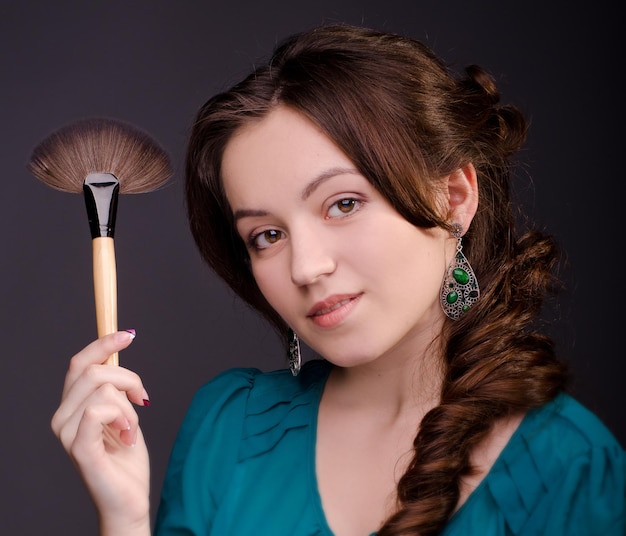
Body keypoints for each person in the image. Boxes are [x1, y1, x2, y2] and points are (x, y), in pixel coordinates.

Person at [50, 23, 626, 535]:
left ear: (454, 198)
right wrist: (124, 518)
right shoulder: (229, 428)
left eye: (343, 204)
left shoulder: (566, 467)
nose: (305, 267)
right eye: (266, 236)